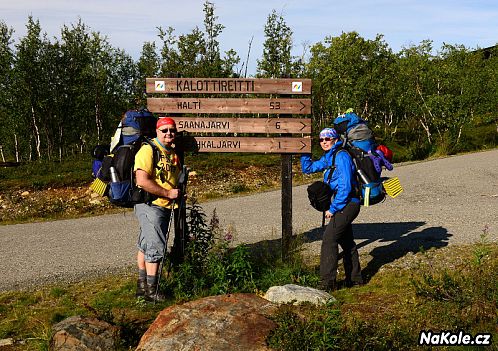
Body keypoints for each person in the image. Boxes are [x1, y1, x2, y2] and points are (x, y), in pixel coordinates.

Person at [301, 127, 363, 291]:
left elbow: (346, 185)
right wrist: (305, 149)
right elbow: (308, 169)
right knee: (346, 241)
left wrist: (333, 208)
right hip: (344, 203)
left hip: (348, 203)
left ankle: (327, 282)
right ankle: (355, 280)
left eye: (327, 139)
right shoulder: (329, 157)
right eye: (321, 140)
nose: (324, 142)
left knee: (329, 239)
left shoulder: (341, 156)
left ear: (335, 139)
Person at [134, 117, 181, 302]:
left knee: (145, 245)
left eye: (172, 130)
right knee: (155, 247)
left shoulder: (170, 151)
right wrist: (168, 194)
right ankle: (151, 293)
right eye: (164, 130)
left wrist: (174, 194)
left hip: (161, 204)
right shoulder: (148, 150)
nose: (169, 133)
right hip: (151, 205)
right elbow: (142, 180)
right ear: (157, 131)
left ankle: (142, 287)